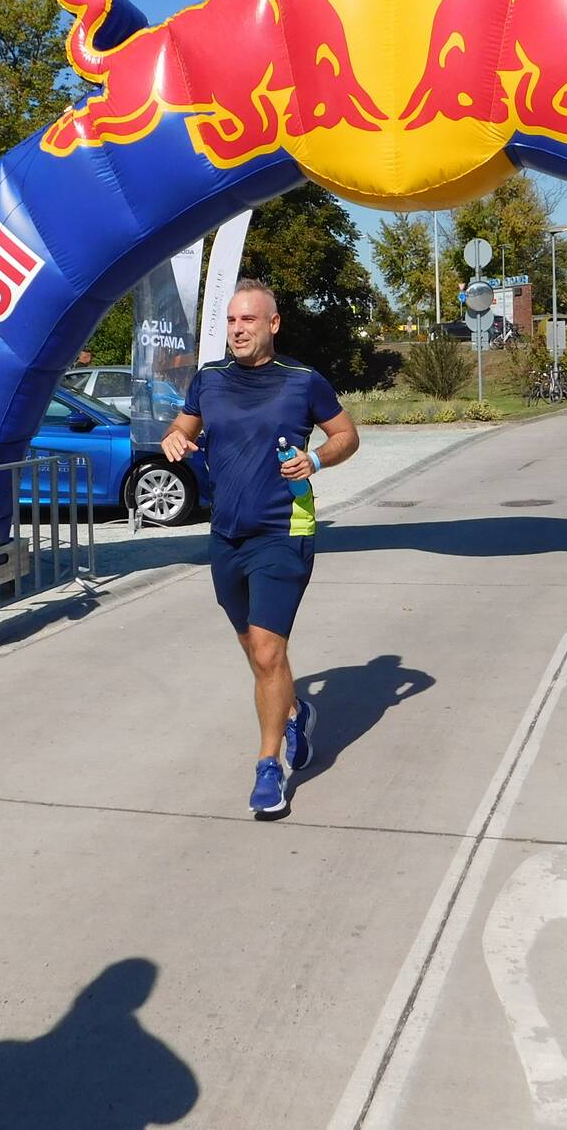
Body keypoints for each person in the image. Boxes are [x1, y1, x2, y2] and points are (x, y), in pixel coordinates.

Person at [161, 279, 359, 817]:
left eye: (248, 319)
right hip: (226, 535)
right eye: (231, 320)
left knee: (269, 651)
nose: (237, 329)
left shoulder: (303, 380)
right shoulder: (209, 379)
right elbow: (182, 427)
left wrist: (315, 460)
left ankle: (268, 767)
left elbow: (346, 436)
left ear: (273, 324)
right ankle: (295, 713)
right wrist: (174, 437)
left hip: (283, 530)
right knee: (253, 647)